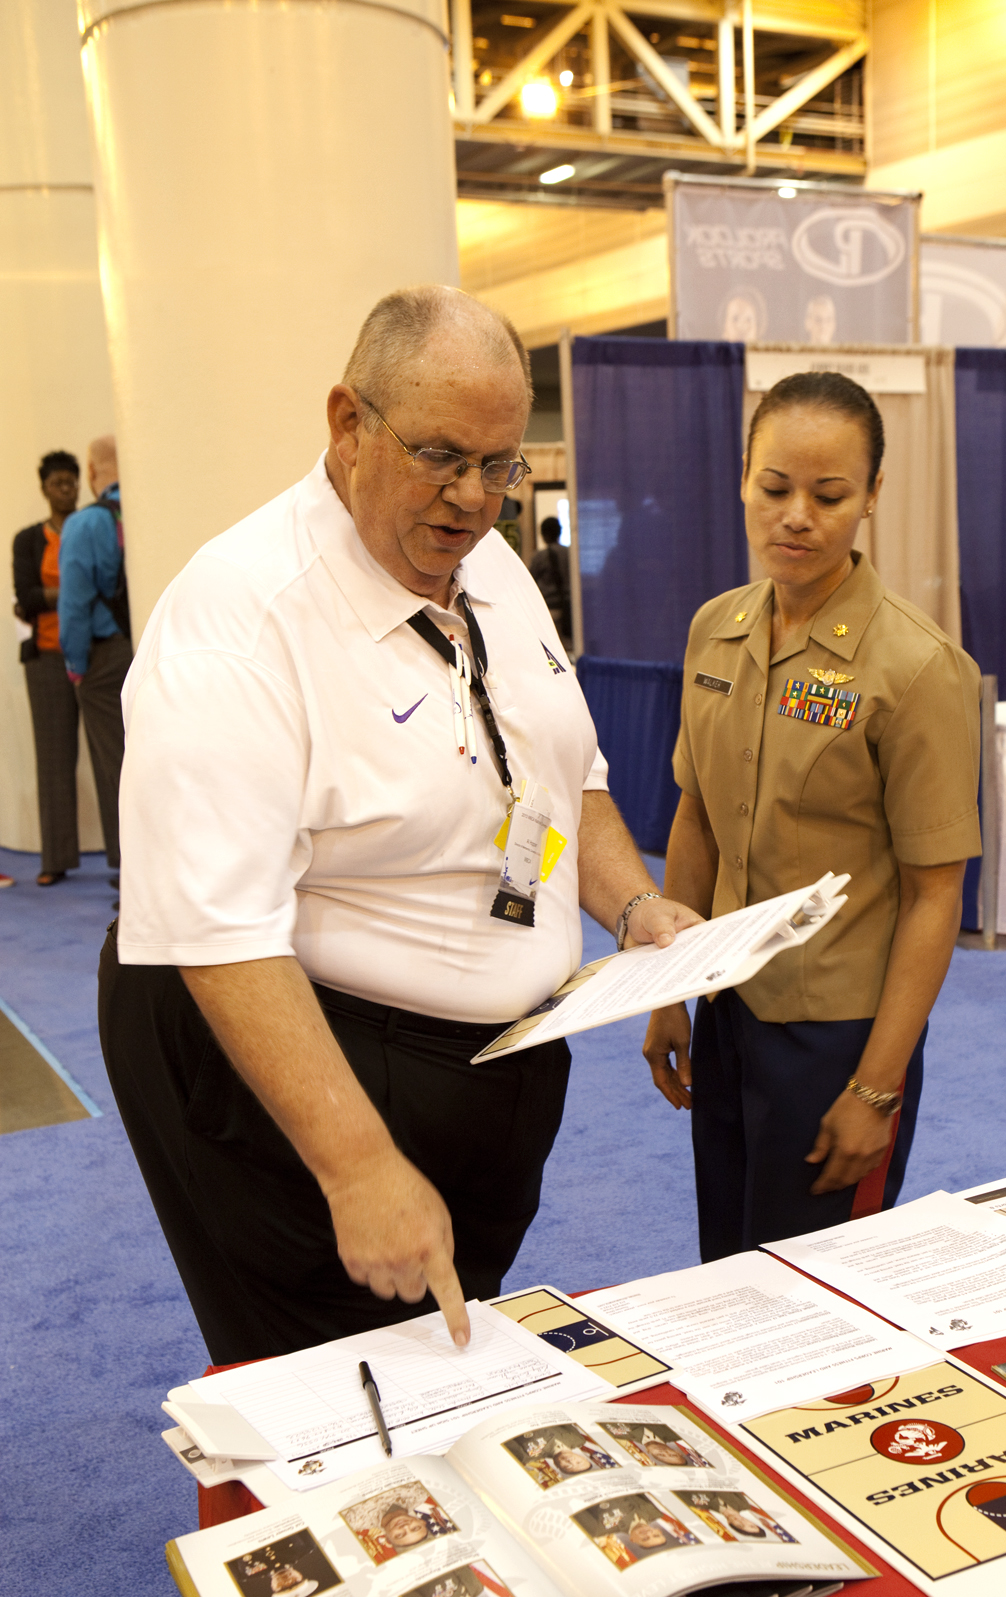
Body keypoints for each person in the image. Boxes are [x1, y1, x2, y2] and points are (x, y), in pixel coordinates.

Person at [98, 285, 699, 1366]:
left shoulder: (486, 561)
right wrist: (358, 1164)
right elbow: (218, 934)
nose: (473, 498)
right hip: (305, 1062)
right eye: (440, 456)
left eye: (500, 465)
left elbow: (567, 772)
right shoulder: (238, 620)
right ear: (348, 423)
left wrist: (632, 903)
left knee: (447, 1358)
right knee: (339, 1387)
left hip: (494, 1061)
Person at [643, 371, 981, 1252]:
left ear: (871, 495)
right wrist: (669, 995)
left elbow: (936, 893)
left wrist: (877, 1088)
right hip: (728, 1007)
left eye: (828, 495)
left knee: (819, 1283)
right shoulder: (715, 630)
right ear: (743, 481)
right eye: (774, 488)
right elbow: (697, 818)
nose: (796, 516)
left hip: (838, 1038)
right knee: (726, 1263)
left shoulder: (917, 667)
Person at [57, 435, 131, 884]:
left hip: (104, 662)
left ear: (90, 470)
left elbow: (73, 606)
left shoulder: (84, 525)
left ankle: (132, 873)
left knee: (116, 768)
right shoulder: (145, 511)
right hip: (151, 648)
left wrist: (76, 667)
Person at [11, 452, 81, 885]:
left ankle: (123, 862)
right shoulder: (28, 539)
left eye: (72, 481)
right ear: (44, 489)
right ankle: (56, 859)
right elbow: (27, 597)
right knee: (53, 761)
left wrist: (50, 594)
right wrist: (75, 589)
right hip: (46, 657)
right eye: (58, 483)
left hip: (89, 654)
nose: (66, 489)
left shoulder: (91, 528)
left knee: (113, 760)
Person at [530, 514, 572, 648]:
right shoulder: (570, 553)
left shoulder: (539, 557)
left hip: (548, 608)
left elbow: (530, 582)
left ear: (544, 534)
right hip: (569, 607)